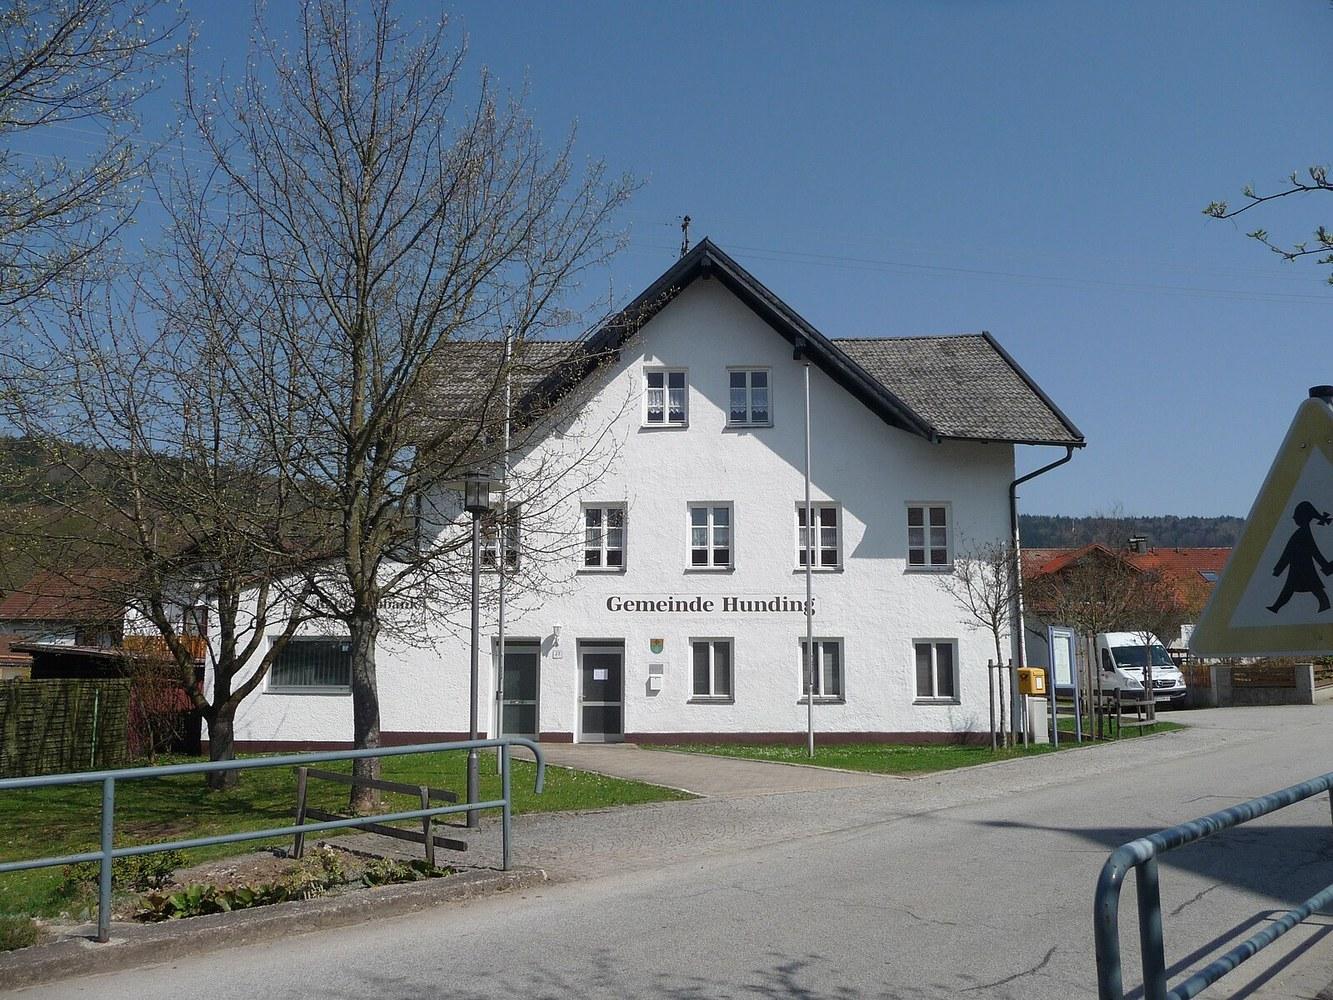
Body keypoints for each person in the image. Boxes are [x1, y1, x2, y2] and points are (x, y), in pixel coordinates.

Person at [1268, 500, 1333, 613]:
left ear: (1302, 517)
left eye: (1296, 515)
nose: (1294, 518)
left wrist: (1278, 569)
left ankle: (1325, 605)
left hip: (1303, 567)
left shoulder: (1302, 533)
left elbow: (1312, 551)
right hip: (1298, 567)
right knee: (1291, 588)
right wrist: (1278, 569)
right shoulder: (1302, 532)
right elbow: (1289, 552)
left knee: (1310, 587)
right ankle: (1276, 607)